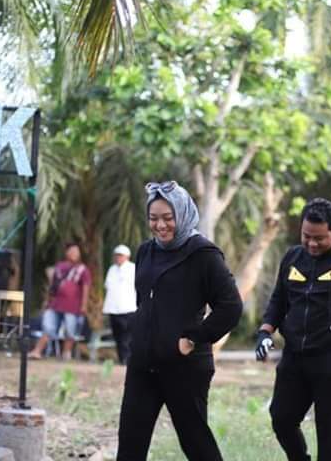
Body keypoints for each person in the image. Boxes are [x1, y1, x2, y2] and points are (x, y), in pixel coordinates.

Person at [117, 181, 243, 461]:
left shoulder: (203, 254)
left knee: (197, 446)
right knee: (129, 445)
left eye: (167, 217)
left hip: (184, 367)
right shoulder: (146, 251)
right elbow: (144, 300)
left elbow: (231, 306)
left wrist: (193, 338)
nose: (160, 225)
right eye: (153, 218)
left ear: (183, 214)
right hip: (143, 365)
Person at [255, 198, 331, 461]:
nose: (312, 244)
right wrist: (265, 331)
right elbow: (278, 300)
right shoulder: (292, 257)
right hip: (295, 358)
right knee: (281, 418)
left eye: (319, 238)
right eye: (306, 236)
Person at [28, 243, 91, 360]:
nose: (74, 254)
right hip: (55, 304)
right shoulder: (60, 266)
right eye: (72, 251)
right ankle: (37, 351)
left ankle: (66, 354)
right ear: (67, 253)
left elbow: (86, 288)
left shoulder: (82, 270)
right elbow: (53, 286)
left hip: (73, 307)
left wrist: (84, 305)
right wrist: (47, 301)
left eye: (76, 252)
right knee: (48, 328)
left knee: (70, 331)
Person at [103, 244, 137, 364]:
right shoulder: (112, 269)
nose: (118, 258)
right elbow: (108, 286)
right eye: (116, 255)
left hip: (128, 308)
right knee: (117, 335)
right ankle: (122, 358)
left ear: (127, 256)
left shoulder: (133, 268)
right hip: (113, 308)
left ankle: (129, 358)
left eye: (121, 255)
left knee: (128, 335)